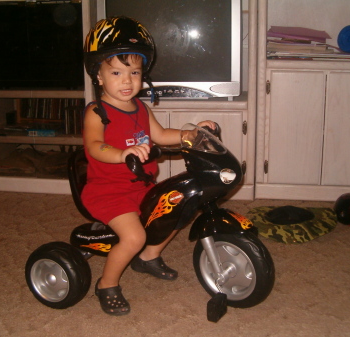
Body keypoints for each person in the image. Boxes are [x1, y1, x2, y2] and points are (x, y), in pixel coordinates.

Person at [82, 16, 215, 316]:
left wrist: (191, 134)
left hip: (141, 187)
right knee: (134, 236)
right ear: (99, 76)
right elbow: (94, 146)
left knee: (177, 208)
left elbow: (161, 135)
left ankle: (149, 257)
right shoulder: (97, 111)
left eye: (134, 72)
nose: (127, 80)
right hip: (108, 192)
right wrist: (122, 154)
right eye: (116, 72)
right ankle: (107, 284)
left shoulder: (140, 107)